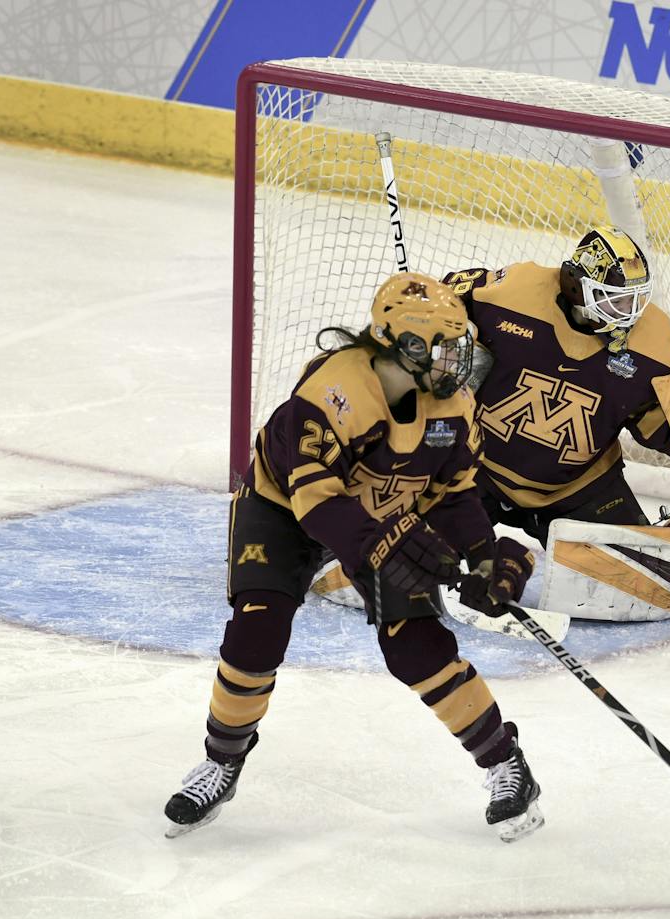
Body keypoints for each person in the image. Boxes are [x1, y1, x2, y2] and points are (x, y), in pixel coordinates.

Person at [163, 273, 544, 844]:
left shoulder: (454, 407)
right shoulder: (326, 398)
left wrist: (484, 558)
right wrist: (387, 543)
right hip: (284, 510)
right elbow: (316, 507)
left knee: (417, 649)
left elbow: (458, 493)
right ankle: (222, 761)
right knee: (256, 632)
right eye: (447, 346)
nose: (461, 361)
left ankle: (506, 766)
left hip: (382, 513)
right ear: (407, 348)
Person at [443, 224, 670, 546]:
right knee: (406, 548)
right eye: (615, 300)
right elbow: (440, 300)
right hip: (475, 470)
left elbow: (662, 426)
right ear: (576, 286)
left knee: (642, 570)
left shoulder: (651, 342)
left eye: (634, 301)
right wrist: (442, 334)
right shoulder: (512, 295)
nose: (629, 315)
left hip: (579, 490)